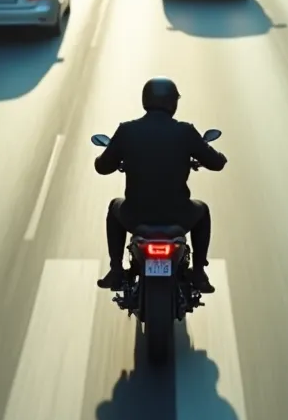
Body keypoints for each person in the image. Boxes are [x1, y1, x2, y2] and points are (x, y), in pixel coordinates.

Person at [94, 77, 227, 293]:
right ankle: (199, 272)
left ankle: (116, 269)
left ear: (145, 100)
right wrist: (212, 154)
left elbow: (102, 167)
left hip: (135, 216)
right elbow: (217, 163)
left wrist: (113, 158)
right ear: (173, 103)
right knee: (202, 210)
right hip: (179, 216)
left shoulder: (127, 131)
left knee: (114, 206)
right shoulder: (186, 131)